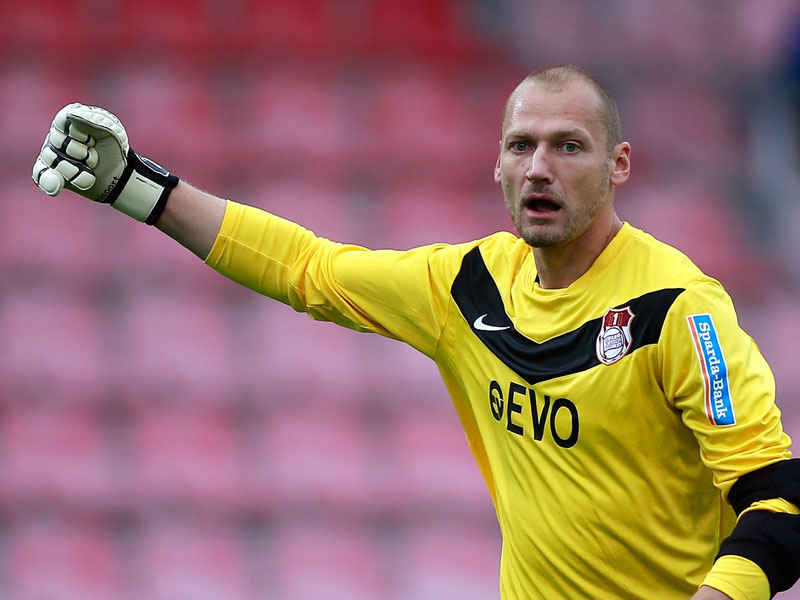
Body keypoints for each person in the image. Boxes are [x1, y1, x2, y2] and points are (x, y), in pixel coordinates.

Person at [31, 65, 799, 600]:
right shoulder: (464, 288)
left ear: (619, 164)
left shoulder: (679, 310)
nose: (539, 168)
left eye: (569, 146)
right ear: (495, 165)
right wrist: (137, 186)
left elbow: (778, 503)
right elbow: (308, 268)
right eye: (520, 146)